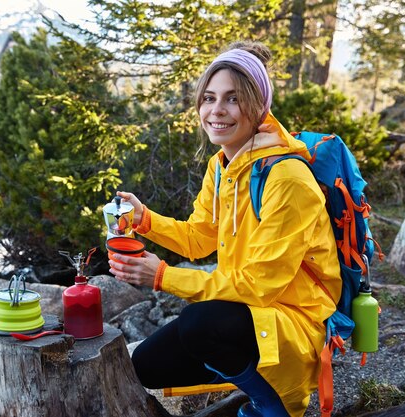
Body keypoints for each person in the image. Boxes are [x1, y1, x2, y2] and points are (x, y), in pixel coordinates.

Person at [108, 41, 342, 417]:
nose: (216, 111)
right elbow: (200, 239)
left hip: (294, 320)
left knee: (200, 324)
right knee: (146, 366)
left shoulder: (287, 178)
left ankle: (277, 402)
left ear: (257, 106)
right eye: (209, 98)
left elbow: (260, 286)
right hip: (247, 312)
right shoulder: (222, 166)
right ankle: (247, 372)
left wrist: (164, 276)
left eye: (232, 99)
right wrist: (145, 220)